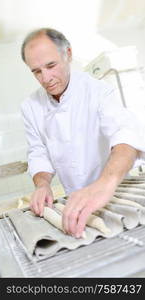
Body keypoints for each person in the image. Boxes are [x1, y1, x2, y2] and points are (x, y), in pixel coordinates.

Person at [21, 28, 145, 238]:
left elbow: (126, 135)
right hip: (74, 199)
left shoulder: (97, 91)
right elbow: (38, 151)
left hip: (112, 193)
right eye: (37, 71)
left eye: (51, 66)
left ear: (68, 54)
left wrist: (103, 186)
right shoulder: (30, 107)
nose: (46, 78)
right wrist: (42, 185)